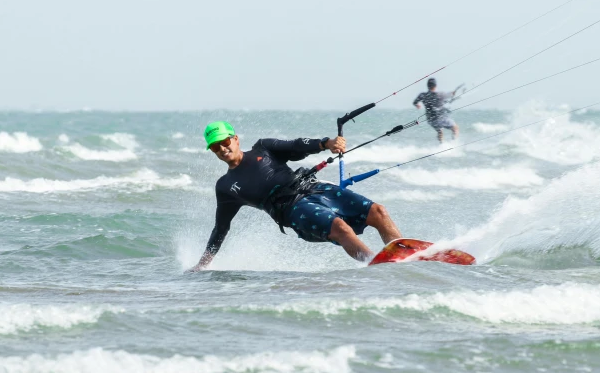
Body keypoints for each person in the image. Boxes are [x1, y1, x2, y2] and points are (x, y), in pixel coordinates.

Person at [187, 121, 404, 272]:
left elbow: (296, 146)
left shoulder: (264, 147)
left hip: (313, 188)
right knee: (340, 228)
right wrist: (203, 263)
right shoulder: (225, 186)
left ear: (235, 139)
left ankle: (403, 257)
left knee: (378, 212)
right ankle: (378, 268)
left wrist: (325, 143)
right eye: (215, 147)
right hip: (291, 209)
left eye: (225, 142)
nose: (222, 149)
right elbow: (220, 228)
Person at [413, 78, 460, 143]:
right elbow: (450, 95)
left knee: (440, 131)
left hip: (431, 120)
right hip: (440, 118)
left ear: (427, 86)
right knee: (455, 128)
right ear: (435, 85)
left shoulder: (422, 95)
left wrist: (417, 105)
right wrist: (453, 93)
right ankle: (454, 144)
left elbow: (415, 102)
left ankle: (442, 146)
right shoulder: (440, 94)